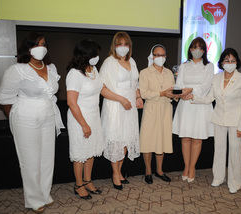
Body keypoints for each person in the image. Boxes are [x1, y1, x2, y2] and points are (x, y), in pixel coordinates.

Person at [0, 32, 64, 213]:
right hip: (25, 118)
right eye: (36, 44)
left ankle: (44, 193)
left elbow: (53, 93)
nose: (40, 47)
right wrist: (15, 117)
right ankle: (34, 199)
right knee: (30, 160)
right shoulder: (17, 70)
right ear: (27, 48)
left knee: (47, 158)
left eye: (43, 43)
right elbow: (4, 98)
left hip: (48, 116)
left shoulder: (51, 67)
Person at [189, 48, 241, 193]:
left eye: (232, 61)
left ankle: (235, 182)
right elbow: (209, 98)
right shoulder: (216, 78)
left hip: (236, 121)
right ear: (222, 63)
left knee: (235, 152)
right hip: (218, 119)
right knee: (219, 149)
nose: (230, 63)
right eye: (226, 60)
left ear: (237, 62)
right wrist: (193, 97)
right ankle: (218, 177)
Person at [99, 32, 143, 190]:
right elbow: (102, 89)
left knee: (126, 139)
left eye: (126, 44)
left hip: (129, 107)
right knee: (116, 140)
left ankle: (119, 171)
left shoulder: (132, 61)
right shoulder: (109, 62)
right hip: (115, 106)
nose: (122, 47)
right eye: (119, 44)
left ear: (129, 46)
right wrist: (121, 99)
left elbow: (135, 84)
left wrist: (138, 97)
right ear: (114, 46)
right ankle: (115, 173)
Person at [66, 39, 104, 200]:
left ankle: (88, 181)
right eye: (94, 54)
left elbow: (102, 89)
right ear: (85, 55)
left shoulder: (94, 69)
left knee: (91, 151)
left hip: (94, 115)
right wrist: (84, 125)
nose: (97, 57)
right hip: (79, 118)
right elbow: (71, 103)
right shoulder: (74, 74)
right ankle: (79, 184)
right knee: (80, 152)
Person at [173, 37, 214, 183]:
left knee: (197, 138)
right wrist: (183, 94)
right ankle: (186, 166)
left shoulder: (208, 66)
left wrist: (190, 90)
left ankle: (192, 167)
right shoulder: (184, 66)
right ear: (190, 49)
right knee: (185, 138)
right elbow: (179, 84)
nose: (197, 50)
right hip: (185, 105)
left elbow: (206, 86)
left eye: (201, 48)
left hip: (200, 105)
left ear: (204, 50)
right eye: (195, 47)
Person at [139, 44, 175, 184]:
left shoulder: (169, 73)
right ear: (152, 56)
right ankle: (148, 171)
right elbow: (143, 93)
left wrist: (177, 95)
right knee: (148, 141)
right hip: (151, 109)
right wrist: (161, 93)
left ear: (165, 57)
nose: (159, 58)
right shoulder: (144, 73)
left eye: (162, 55)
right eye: (157, 55)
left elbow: (172, 91)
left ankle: (159, 170)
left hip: (165, 109)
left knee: (162, 140)